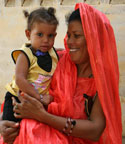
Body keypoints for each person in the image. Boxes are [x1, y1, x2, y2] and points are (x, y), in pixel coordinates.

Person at [0, 2, 122, 144]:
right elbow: (17, 91)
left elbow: (95, 130)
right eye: (68, 35)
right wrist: (2, 123)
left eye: (76, 36)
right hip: (34, 135)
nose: (69, 42)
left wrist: (42, 116)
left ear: (93, 39)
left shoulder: (102, 81)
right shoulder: (57, 60)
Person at [2, 7, 59, 122]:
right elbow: (20, 79)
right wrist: (39, 97)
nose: (45, 40)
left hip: (36, 102)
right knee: (12, 129)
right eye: (40, 34)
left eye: (50, 36)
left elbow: (61, 51)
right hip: (17, 98)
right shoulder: (25, 55)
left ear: (55, 35)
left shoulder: (53, 53)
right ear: (28, 34)